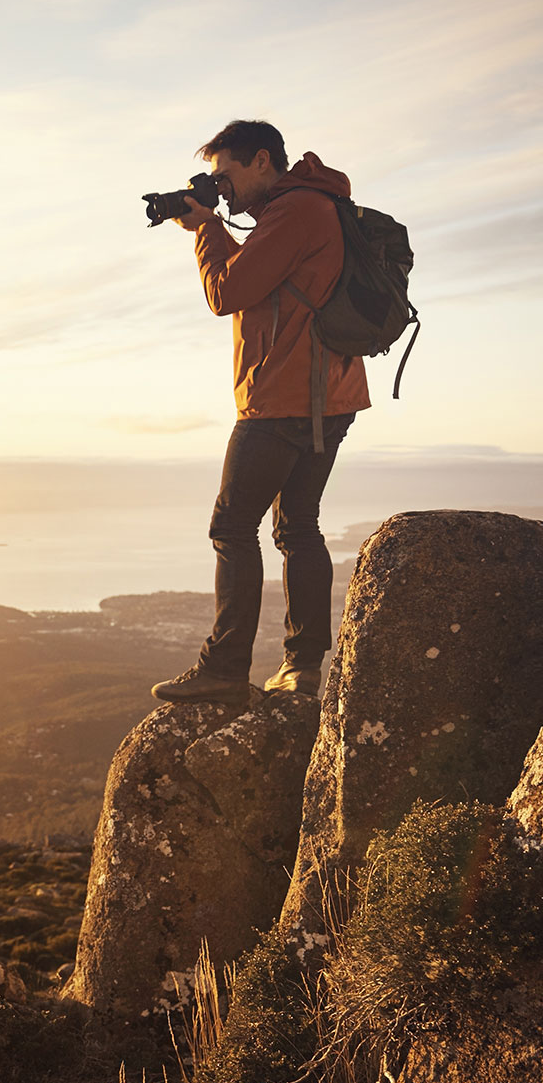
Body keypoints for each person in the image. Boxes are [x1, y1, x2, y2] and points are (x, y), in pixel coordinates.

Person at [151, 120, 371, 704]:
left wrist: (204, 231)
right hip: (328, 394)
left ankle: (223, 670)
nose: (224, 187)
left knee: (231, 527)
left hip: (283, 398)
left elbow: (227, 293)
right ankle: (300, 667)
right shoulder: (311, 204)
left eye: (228, 174)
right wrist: (215, 223)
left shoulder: (294, 211)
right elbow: (263, 279)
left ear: (263, 161)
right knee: (297, 526)